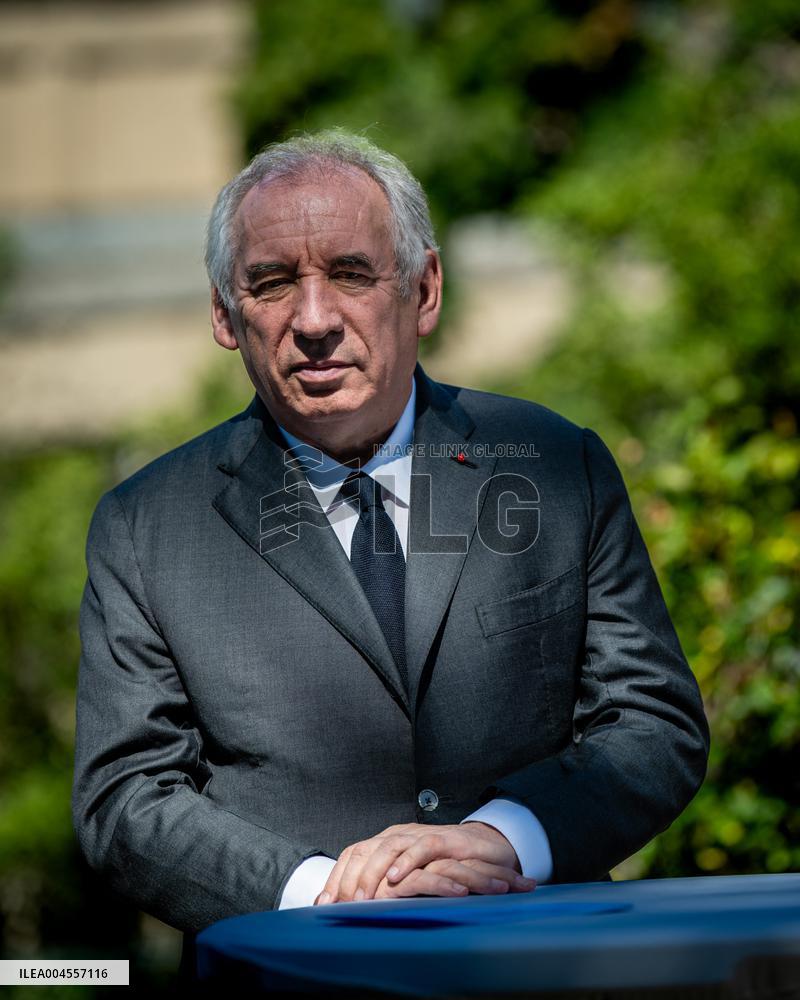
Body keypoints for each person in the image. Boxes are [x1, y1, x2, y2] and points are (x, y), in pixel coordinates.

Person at [72, 130, 709, 966]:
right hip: (292, 979)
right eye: (271, 284)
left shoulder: (557, 465)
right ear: (226, 317)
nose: (313, 320)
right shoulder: (145, 527)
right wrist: (321, 892)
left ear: (425, 288)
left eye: (350, 272)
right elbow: (125, 800)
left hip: (549, 969)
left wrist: (504, 839)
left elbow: (652, 721)